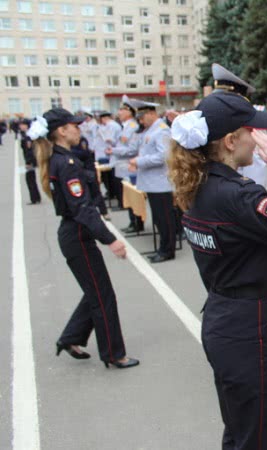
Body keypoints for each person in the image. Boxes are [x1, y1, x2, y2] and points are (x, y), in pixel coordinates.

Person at [167, 91, 267, 450]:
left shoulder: (199, 182)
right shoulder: (238, 195)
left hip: (224, 318)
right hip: (246, 328)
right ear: (229, 141)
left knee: (240, 432)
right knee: (257, 437)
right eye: (251, 132)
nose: (258, 139)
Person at [28, 109, 138, 369]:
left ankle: (71, 338)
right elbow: (82, 209)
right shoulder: (65, 164)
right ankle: (113, 354)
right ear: (62, 131)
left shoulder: (63, 159)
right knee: (103, 296)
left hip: (75, 234)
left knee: (95, 292)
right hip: (77, 234)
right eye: (74, 126)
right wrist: (110, 239)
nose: (80, 129)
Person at [128, 100, 177, 263]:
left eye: (142, 118)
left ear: (151, 114)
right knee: (159, 218)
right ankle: (163, 248)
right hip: (153, 184)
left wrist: (140, 161)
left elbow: (164, 156)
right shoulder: (152, 130)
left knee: (164, 219)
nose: (141, 121)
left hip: (160, 184)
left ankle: (167, 250)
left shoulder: (162, 130)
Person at [109, 96, 144, 233]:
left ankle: (137, 222)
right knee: (128, 195)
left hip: (129, 165)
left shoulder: (132, 127)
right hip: (123, 165)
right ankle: (133, 221)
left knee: (133, 195)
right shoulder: (126, 126)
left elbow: (132, 149)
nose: (119, 113)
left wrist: (114, 150)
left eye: (122, 110)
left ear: (129, 111)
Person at [19, 119, 42, 204]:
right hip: (30, 160)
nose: (20, 126)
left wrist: (28, 162)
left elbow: (29, 151)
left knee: (30, 179)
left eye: (22, 124)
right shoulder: (26, 135)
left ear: (26, 126)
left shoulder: (28, 136)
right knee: (31, 179)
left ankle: (34, 198)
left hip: (30, 161)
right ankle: (37, 197)